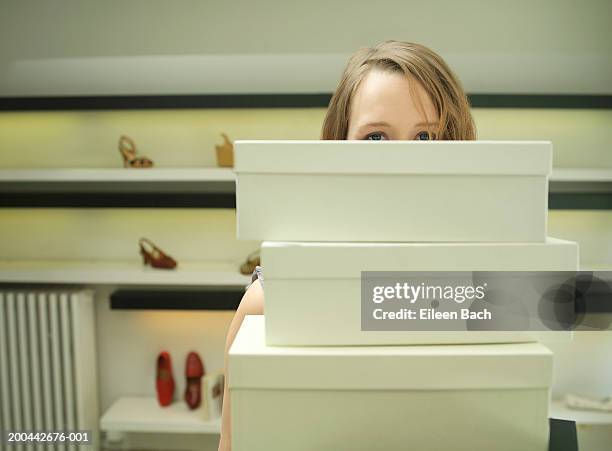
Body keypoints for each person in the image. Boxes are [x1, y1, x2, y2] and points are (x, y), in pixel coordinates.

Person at [217, 40, 476, 451]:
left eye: (426, 137)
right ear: (336, 149)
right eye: (376, 138)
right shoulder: (272, 302)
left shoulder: (487, 287)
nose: (401, 166)